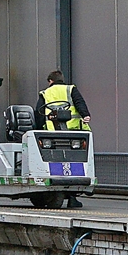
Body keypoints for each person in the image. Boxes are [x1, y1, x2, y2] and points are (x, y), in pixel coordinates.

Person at [35, 70, 90, 208]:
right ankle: (72, 198)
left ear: (50, 81)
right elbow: (80, 102)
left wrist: (39, 128)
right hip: (73, 133)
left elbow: (39, 113)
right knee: (74, 164)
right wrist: (85, 115)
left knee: (56, 163)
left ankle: (59, 193)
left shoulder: (45, 93)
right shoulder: (70, 89)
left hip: (53, 134)